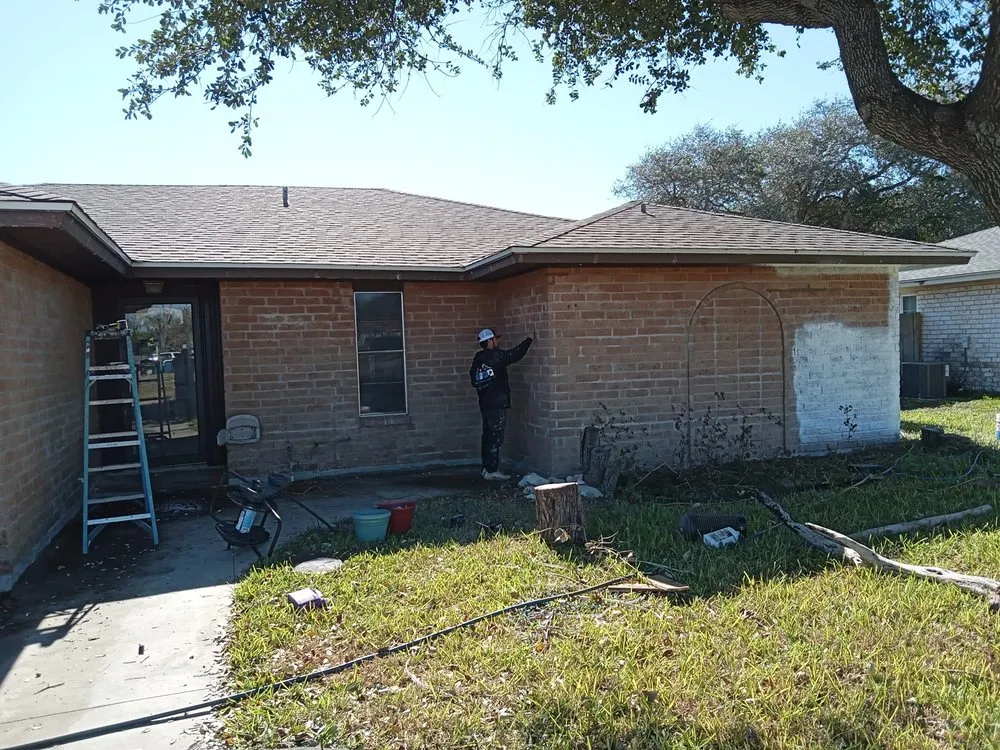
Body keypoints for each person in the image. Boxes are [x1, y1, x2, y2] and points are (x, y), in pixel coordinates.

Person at [469, 328, 533, 480]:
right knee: (494, 436)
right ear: (490, 341)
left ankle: (487, 468)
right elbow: (514, 355)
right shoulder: (493, 357)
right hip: (496, 404)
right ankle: (492, 470)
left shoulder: (478, 359)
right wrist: (529, 339)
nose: (498, 341)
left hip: (485, 404)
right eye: (495, 339)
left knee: (487, 436)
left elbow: (474, 381)